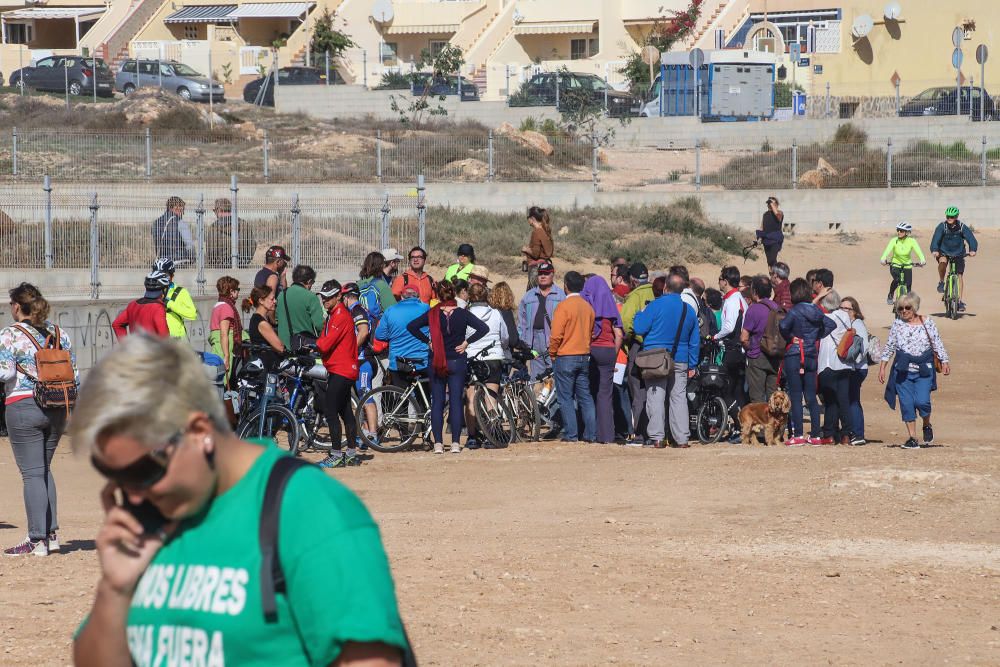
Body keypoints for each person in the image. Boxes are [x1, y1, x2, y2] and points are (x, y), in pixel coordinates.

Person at [70, 335, 409, 665]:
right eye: (114, 476)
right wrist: (114, 591)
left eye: (141, 472)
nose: (131, 494)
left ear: (199, 431)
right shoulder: (146, 519)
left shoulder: (307, 509)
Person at [1, 284, 77, 556]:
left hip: (23, 405)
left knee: (32, 473)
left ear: (16, 306)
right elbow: (74, 373)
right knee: (44, 469)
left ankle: (36, 539)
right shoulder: (60, 334)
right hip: (58, 405)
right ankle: (51, 534)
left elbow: (5, 374)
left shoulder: (10, 334)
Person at [407, 281, 488, 454]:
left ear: (437, 294)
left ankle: (438, 444)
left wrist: (428, 341)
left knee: (437, 402)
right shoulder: (462, 314)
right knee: (456, 402)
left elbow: (411, 326)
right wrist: (467, 342)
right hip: (457, 361)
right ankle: (456, 443)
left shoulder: (433, 313)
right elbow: (483, 328)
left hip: (436, 360)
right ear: (454, 295)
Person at [632, 273, 699, 449]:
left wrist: (639, 314)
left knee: (656, 397)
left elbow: (639, 328)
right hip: (681, 358)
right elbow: (694, 341)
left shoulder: (654, 306)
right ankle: (682, 439)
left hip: (656, 357)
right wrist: (692, 364)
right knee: (679, 398)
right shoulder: (688, 310)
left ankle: (657, 438)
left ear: (665, 288)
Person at [879, 292, 950, 449]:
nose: (904, 311)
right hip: (902, 371)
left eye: (907, 307)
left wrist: (945, 360)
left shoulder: (927, 322)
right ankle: (912, 438)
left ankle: (926, 424)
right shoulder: (897, 324)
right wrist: (883, 367)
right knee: (907, 403)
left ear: (915, 307)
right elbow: (890, 346)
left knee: (922, 401)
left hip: (924, 370)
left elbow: (937, 342)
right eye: (900, 308)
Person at [779, 278, 836, 446]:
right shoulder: (816, 311)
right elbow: (830, 324)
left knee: (796, 396)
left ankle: (798, 435)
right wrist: (814, 337)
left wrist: (791, 337)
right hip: (811, 355)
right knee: (811, 396)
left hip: (795, 355)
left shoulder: (794, 311)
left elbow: (783, 326)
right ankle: (816, 435)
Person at [314, 280, 361, 468]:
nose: (324, 300)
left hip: (341, 370)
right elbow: (324, 341)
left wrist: (313, 345)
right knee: (345, 412)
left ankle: (336, 454)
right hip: (342, 369)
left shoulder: (340, 315)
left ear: (338, 297)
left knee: (331, 411)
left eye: (328, 297)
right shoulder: (334, 314)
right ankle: (350, 453)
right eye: (323, 297)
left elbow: (324, 344)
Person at [548, 271, 597, 443]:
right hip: (584, 355)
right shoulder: (588, 307)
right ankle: (591, 434)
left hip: (566, 356)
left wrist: (552, 353)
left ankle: (571, 434)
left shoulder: (563, 307)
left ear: (565, 286)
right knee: (585, 396)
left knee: (565, 397)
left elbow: (556, 335)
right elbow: (591, 332)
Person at [465, 283, 510, 449]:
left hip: (472, 357)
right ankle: (493, 434)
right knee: (491, 396)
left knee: (470, 397)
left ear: (469, 296)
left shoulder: (466, 314)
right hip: (493, 356)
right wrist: (501, 347)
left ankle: (472, 437)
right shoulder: (496, 313)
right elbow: (504, 336)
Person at [580, 275, 623, 444]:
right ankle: (607, 436)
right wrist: (613, 353)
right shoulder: (610, 307)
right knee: (605, 395)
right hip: (608, 351)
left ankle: (590, 433)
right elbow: (619, 334)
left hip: (591, 350)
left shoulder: (586, 306)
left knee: (588, 393)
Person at [620, 263, 655, 445]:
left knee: (638, 392)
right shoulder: (656, 292)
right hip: (658, 347)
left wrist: (630, 335)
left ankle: (640, 434)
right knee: (655, 390)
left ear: (632, 280)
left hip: (639, 347)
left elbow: (626, 322)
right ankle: (655, 433)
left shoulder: (634, 296)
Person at [713, 266, 749, 443]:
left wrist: (714, 336)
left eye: (720, 278)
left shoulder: (733, 299)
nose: (718, 281)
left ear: (725, 281)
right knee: (737, 391)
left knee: (726, 390)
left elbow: (728, 327)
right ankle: (740, 428)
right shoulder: (738, 298)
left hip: (733, 350)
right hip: (739, 351)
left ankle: (740, 424)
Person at [817, 290, 855, 445]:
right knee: (843, 400)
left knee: (830, 401)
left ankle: (829, 434)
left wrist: (818, 297)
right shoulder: (845, 316)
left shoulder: (824, 318)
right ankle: (846, 434)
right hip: (844, 363)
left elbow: (810, 310)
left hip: (828, 363)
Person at [341, 282, 378, 442]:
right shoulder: (355, 310)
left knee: (365, 395)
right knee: (359, 397)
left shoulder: (357, 310)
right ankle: (364, 432)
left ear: (347, 297)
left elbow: (363, 332)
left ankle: (373, 434)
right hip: (359, 361)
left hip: (364, 361)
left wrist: (350, 351)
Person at [518, 261, 565, 383]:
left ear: (552, 274)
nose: (543, 276)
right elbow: (521, 321)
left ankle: (553, 402)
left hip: (553, 340)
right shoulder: (528, 296)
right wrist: (522, 341)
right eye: (540, 274)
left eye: (546, 273)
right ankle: (537, 402)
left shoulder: (561, 296)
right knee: (536, 378)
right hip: (533, 341)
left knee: (555, 377)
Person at [375, 286, 430, 386]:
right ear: (418, 297)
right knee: (423, 398)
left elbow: (379, 335)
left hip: (398, 362)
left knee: (401, 396)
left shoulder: (390, 310)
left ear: (402, 297)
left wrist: (394, 335)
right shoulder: (426, 309)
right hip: (421, 361)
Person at [741, 275, 781, 404]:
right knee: (773, 399)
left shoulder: (753, 309)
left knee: (757, 398)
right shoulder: (777, 307)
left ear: (754, 291)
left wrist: (750, 347)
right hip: (776, 356)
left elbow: (743, 337)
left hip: (757, 356)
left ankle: (760, 424)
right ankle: (774, 423)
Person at [930, 206, 978, 312]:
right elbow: (935, 239)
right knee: (942, 262)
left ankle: (959, 301)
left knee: (959, 275)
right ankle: (941, 282)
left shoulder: (961, 227)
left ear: (956, 217)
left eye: (952, 216)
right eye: (948, 216)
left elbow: (971, 239)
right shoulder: (942, 226)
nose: (949, 218)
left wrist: (973, 249)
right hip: (944, 252)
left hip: (959, 253)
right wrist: (934, 250)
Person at [840, 296, 869, 445]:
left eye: (847, 308)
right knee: (850, 399)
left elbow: (863, 347)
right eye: (842, 308)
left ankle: (858, 434)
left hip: (857, 369)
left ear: (854, 311)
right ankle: (853, 432)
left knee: (853, 400)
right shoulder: (848, 323)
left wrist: (853, 362)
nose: (844, 310)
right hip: (852, 368)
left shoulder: (858, 324)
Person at [276, 264, 324, 350]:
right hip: (303, 348)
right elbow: (320, 325)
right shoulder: (311, 297)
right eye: (312, 283)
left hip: (283, 348)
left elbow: (276, 319)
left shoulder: (281, 295)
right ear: (309, 282)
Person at [113, 271, 170, 340]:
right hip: (152, 350)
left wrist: (126, 345)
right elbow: (165, 337)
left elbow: (116, 324)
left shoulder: (132, 304)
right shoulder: (158, 308)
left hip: (135, 349)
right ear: (164, 290)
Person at [880, 222, 926, 305]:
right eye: (898, 230)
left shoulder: (912, 241)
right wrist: (883, 258)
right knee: (897, 280)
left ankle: (906, 305)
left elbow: (918, 251)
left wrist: (922, 259)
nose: (899, 232)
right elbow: (887, 250)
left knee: (908, 287)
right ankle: (890, 294)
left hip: (907, 265)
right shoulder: (894, 240)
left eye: (901, 231)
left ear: (907, 232)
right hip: (895, 265)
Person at [209, 276, 242, 386]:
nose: (238, 292)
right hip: (223, 347)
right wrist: (226, 357)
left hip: (218, 345)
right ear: (231, 292)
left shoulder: (218, 305)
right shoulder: (226, 307)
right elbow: (224, 333)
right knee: (223, 381)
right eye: (237, 289)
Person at [242, 285, 284, 371]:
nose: (275, 301)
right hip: (266, 366)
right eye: (272, 299)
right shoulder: (262, 323)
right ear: (261, 301)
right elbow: (280, 347)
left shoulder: (256, 318)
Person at [153, 258, 196, 340]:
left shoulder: (181, 292)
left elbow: (192, 314)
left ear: (172, 276)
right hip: (157, 339)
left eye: (165, 275)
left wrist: (170, 304)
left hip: (176, 340)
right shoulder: (152, 292)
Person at [206, 198, 256, 268]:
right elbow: (252, 246)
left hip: (220, 268)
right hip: (241, 266)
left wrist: (215, 265)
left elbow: (211, 251)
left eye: (214, 211)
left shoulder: (213, 228)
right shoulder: (244, 224)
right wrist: (244, 262)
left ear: (218, 210)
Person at [151, 196, 192, 263]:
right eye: (179, 210)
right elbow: (189, 245)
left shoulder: (156, 223)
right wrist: (193, 258)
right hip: (178, 260)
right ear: (171, 208)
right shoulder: (181, 223)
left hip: (161, 260)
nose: (181, 213)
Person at [522, 206, 554, 288]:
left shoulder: (536, 232)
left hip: (536, 270)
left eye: (528, 217)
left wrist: (526, 249)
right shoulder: (544, 230)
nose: (527, 220)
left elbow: (535, 254)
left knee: (532, 297)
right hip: (545, 267)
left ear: (532, 218)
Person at [489, 282, 525, 354]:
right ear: (509, 295)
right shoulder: (506, 312)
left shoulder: (488, 310)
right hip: (501, 353)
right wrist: (523, 346)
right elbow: (512, 340)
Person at [757, 196, 785, 267]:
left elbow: (778, 217)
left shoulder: (779, 213)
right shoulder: (765, 214)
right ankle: (772, 276)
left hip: (775, 239)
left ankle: (777, 273)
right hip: (766, 240)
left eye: (771, 203)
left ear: (776, 204)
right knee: (769, 261)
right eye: (768, 204)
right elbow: (762, 227)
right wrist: (759, 238)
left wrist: (772, 205)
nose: (769, 205)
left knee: (772, 259)